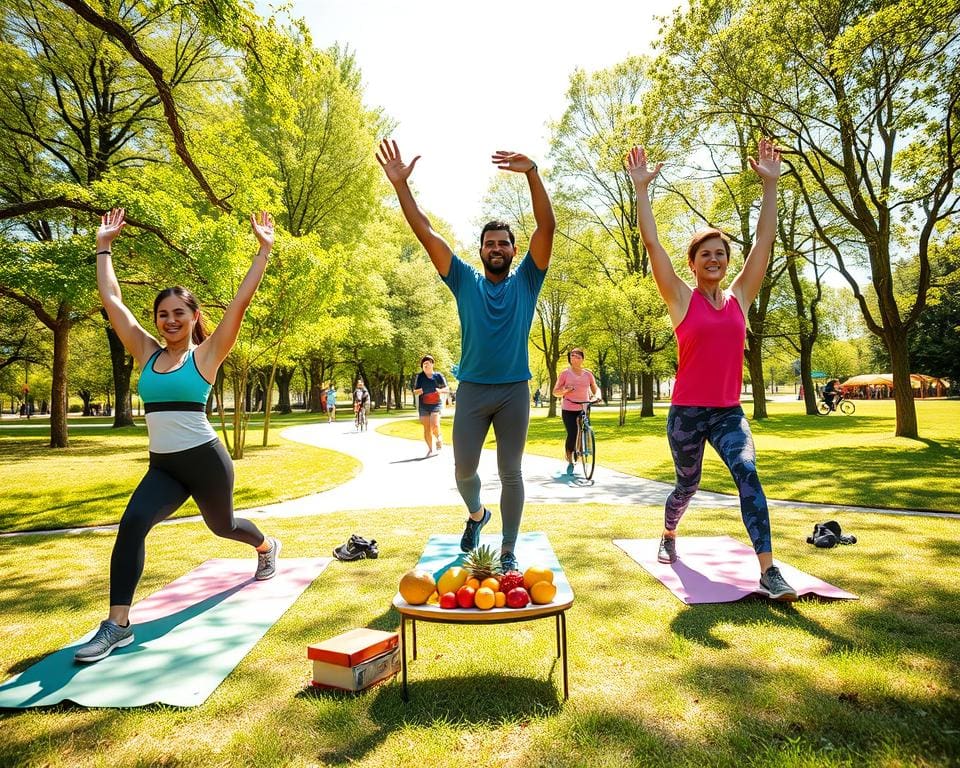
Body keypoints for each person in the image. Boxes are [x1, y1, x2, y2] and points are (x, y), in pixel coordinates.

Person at [75, 208, 281, 663]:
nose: (169, 320)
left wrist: (263, 249)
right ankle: (117, 625)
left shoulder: (206, 355)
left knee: (222, 526)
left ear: (193, 317)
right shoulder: (145, 351)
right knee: (131, 525)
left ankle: (266, 546)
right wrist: (103, 246)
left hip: (205, 461)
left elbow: (241, 303)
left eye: (178, 313)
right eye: (162, 314)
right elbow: (113, 301)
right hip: (164, 467)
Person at [627, 139, 797, 601]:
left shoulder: (741, 298)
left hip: (727, 413)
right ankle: (669, 532)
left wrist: (770, 186)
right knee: (688, 484)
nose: (715, 259)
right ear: (694, 263)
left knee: (747, 472)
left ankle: (768, 569)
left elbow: (764, 242)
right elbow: (652, 242)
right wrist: (642, 189)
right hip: (686, 412)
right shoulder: (682, 299)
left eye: (721, 253)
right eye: (706, 254)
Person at [377, 139, 555, 573]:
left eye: (504, 243)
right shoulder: (464, 280)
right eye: (489, 243)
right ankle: (478, 514)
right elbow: (426, 233)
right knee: (463, 471)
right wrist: (402, 186)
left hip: (514, 390)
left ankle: (509, 550)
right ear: (481, 250)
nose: (496, 248)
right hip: (473, 390)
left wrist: (533, 173)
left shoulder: (528, 281)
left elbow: (546, 229)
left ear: (514, 251)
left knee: (511, 472)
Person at [553, 348, 599, 475]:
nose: (575, 358)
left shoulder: (588, 374)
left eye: (578, 356)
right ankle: (569, 457)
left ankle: (582, 448)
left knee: (584, 429)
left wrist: (597, 396)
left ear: (583, 359)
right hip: (569, 408)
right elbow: (555, 392)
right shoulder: (565, 374)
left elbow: (595, 388)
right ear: (570, 359)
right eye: (572, 356)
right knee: (573, 433)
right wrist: (565, 391)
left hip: (584, 407)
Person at [413, 355, 449, 456]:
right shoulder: (420, 377)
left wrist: (440, 390)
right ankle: (430, 449)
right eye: (424, 364)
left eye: (428, 363)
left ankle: (439, 438)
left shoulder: (438, 376)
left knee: (435, 425)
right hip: (423, 405)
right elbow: (415, 391)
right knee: (427, 428)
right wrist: (420, 390)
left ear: (432, 364)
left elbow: (447, 389)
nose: (425, 365)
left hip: (435, 404)